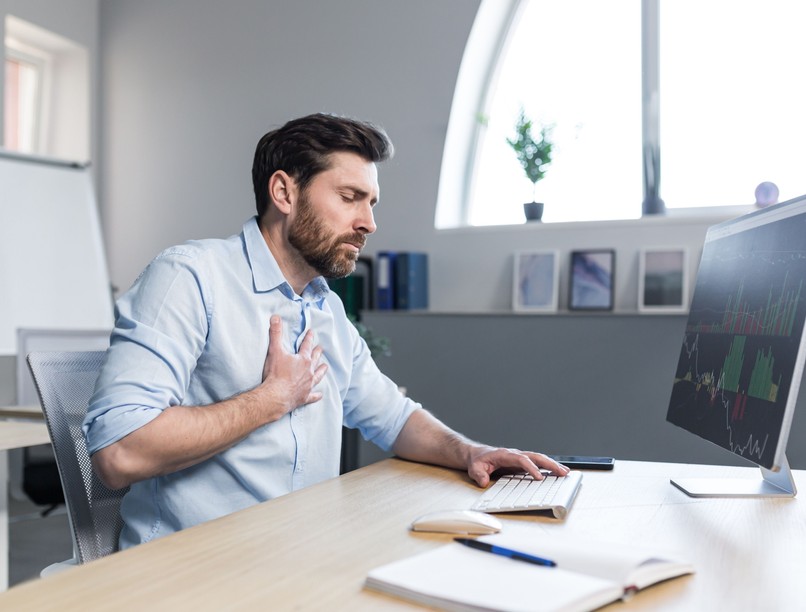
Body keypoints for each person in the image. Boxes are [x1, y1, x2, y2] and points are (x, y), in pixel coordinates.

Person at [83, 113, 568, 549]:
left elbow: (392, 418)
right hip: (190, 571)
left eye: (372, 202)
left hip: (301, 554)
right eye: (350, 197)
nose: (370, 223)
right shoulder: (190, 277)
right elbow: (120, 451)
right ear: (284, 192)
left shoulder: (325, 309)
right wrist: (273, 398)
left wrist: (472, 452)